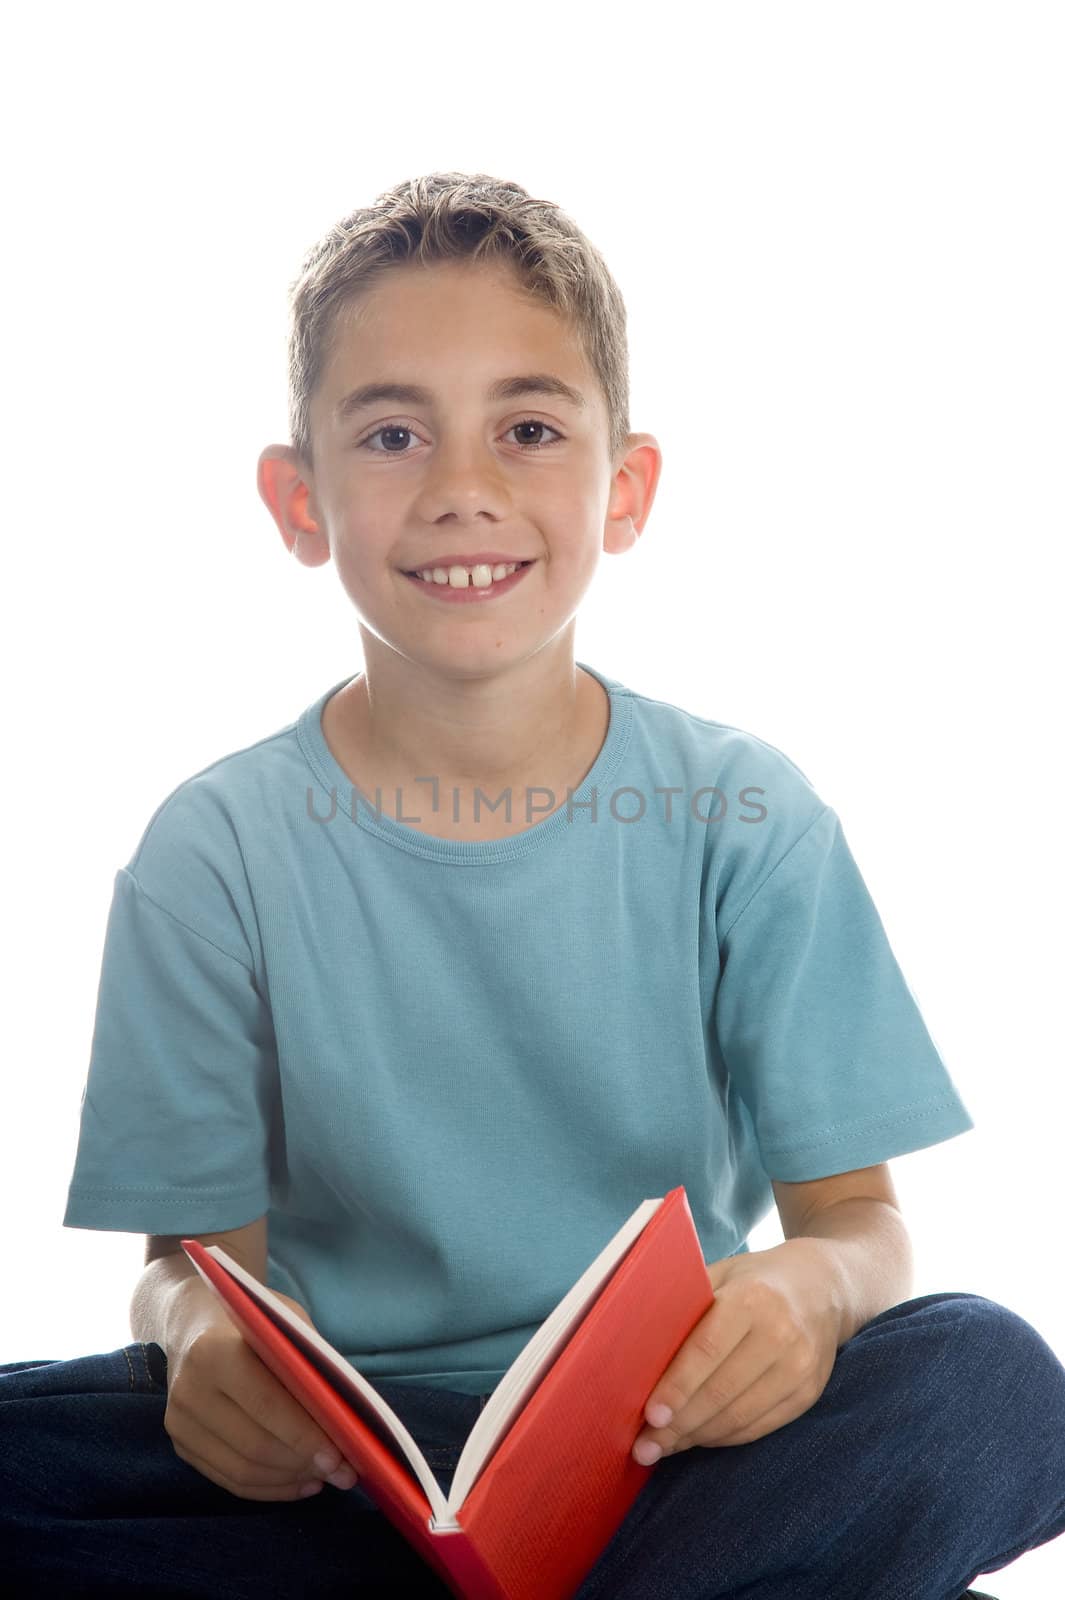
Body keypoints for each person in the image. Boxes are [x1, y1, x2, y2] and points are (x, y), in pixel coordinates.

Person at [2, 171, 1062, 1600]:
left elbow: (858, 1229)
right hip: (348, 1473)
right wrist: (198, 1350)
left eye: (527, 429)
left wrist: (806, 1299)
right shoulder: (214, 851)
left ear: (622, 489)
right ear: (297, 499)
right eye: (391, 433)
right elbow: (190, 1269)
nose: (460, 490)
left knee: (985, 1377)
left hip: (674, 1445)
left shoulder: (739, 815)